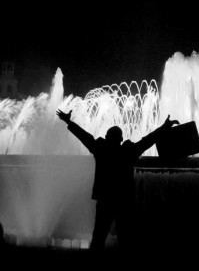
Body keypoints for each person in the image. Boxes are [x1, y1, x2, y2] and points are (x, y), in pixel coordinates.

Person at [56, 109, 179, 254]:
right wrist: (164, 127)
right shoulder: (128, 152)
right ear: (121, 139)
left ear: (107, 137)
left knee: (99, 236)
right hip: (124, 200)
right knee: (125, 237)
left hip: (105, 199)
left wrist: (69, 121)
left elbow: (85, 137)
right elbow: (147, 140)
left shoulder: (100, 149)